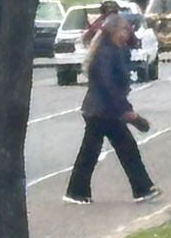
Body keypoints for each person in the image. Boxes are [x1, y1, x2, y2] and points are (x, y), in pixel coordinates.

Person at [65, 11, 161, 205]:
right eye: (123, 29)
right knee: (119, 149)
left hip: (103, 110)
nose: (127, 33)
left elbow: (133, 45)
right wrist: (126, 110)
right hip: (102, 111)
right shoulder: (106, 54)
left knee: (96, 152)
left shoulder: (113, 50)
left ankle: (77, 191)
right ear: (113, 31)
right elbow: (108, 85)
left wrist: (124, 109)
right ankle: (142, 188)